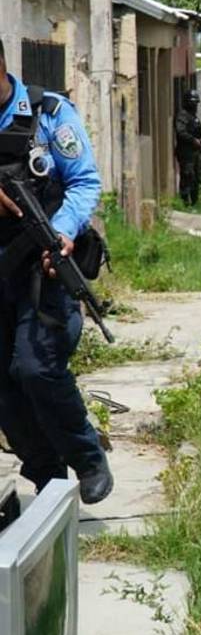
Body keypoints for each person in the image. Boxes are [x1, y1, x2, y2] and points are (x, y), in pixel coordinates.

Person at [0, 37, 112, 504]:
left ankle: (87, 458)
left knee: (36, 368)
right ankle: (48, 479)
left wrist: (63, 232)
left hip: (43, 268)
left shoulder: (48, 115)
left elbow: (84, 182)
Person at [174, 89, 201, 206]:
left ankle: (194, 201)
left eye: (196, 103)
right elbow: (180, 132)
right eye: (193, 103)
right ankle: (185, 201)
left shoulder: (193, 116)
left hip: (196, 152)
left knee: (197, 177)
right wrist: (193, 140)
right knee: (188, 176)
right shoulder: (183, 115)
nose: (195, 105)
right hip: (186, 152)